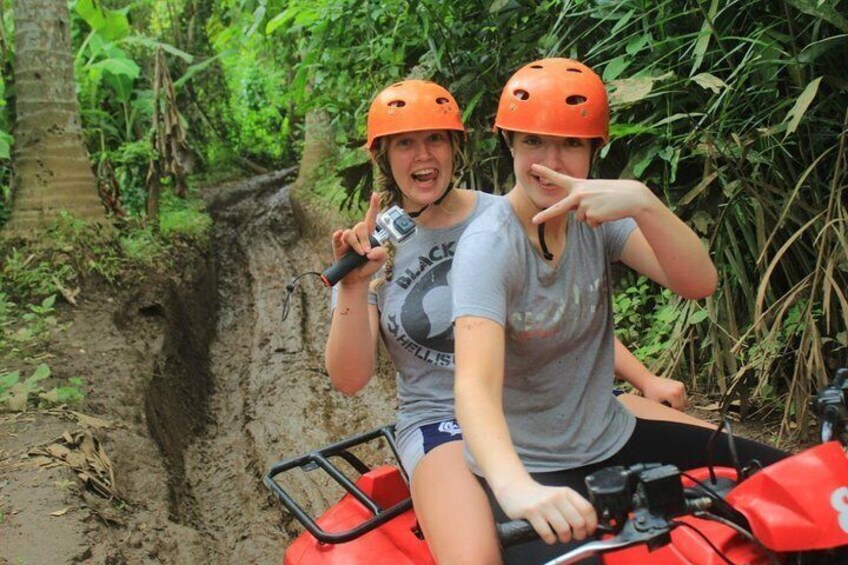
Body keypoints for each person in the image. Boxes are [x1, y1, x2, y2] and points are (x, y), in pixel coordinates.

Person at [325, 78, 713, 564]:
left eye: (435, 138)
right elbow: (349, 377)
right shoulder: (374, 248)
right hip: (443, 420)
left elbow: (556, 315)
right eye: (404, 143)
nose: (422, 154)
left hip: (546, 396)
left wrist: (644, 378)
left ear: (455, 147)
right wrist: (356, 285)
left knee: (721, 475)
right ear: (384, 156)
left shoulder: (510, 212)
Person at [451, 58, 786, 563]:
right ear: (510, 145)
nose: (552, 161)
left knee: (793, 482)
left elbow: (698, 282)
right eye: (533, 142)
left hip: (612, 437)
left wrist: (644, 203)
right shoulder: (488, 247)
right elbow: (474, 385)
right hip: (531, 466)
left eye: (571, 143)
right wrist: (517, 489)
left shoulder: (595, 219)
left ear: (593, 151)